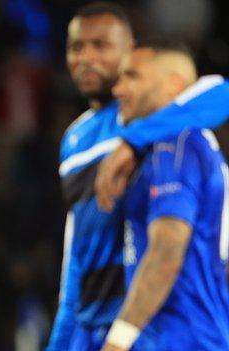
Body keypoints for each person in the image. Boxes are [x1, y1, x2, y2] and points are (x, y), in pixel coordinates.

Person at [49, 2, 229, 350]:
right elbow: (77, 249)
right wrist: (62, 338)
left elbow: (220, 93)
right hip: (95, 322)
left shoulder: (158, 119)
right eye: (76, 47)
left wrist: (132, 142)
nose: (86, 57)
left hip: (147, 315)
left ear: (129, 51)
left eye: (100, 46)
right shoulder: (73, 140)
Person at [101, 39, 229, 351]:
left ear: (173, 85)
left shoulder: (176, 146)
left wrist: (116, 343)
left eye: (133, 77)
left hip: (180, 338)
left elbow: (166, 253)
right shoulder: (182, 145)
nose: (118, 89)